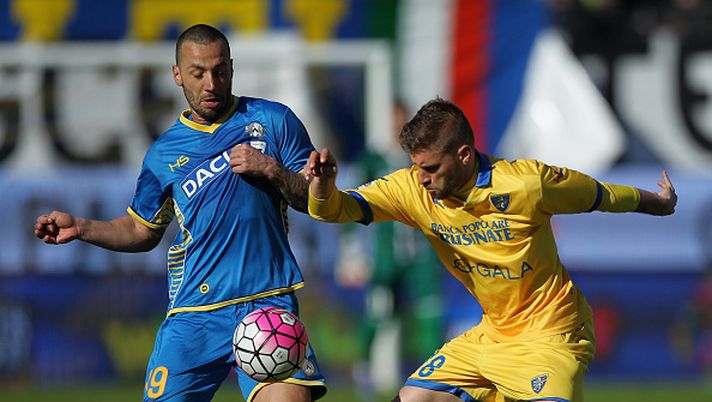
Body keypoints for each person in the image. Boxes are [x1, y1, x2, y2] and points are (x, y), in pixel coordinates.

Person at [305, 97, 677, 402]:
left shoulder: (527, 184)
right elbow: (338, 209)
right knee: (413, 398)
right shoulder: (413, 188)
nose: (422, 178)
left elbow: (599, 194)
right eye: (416, 167)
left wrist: (655, 203)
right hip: (492, 336)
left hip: (551, 337)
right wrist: (322, 188)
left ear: (464, 155)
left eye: (430, 168)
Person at [33, 24, 326, 402]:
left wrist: (272, 169)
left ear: (232, 68)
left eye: (220, 71)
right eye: (198, 73)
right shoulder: (163, 154)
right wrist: (81, 227)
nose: (211, 84)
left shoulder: (274, 120)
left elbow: (312, 199)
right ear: (177, 75)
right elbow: (142, 230)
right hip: (194, 314)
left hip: (266, 304)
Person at [338, 101, 445, 395]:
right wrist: (351, 252)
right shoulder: (372, 160)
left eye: (401, 119)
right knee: (379, 312)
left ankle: (436, 380)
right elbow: (351, 202)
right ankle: (363, 374)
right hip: (386, 257)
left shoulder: (422, 159)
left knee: (429, 315)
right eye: (393, 119)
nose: (397, 125)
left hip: (421, 255)